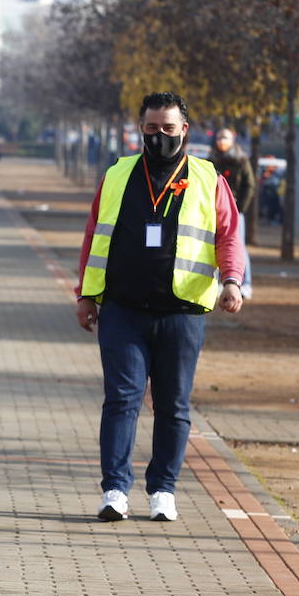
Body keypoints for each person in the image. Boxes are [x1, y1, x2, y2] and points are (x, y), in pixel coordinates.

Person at [75, 91, 245, 524]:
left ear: (184, 130)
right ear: (140, 130)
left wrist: (232, 281)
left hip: (182, 312)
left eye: (168, 128)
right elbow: (95, 234)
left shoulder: (208, 178)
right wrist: (85, 295)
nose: (159, 136)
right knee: (121, 400)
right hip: (123, 310)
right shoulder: (117, 175)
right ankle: (115, 490)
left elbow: (229, 234)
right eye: (151, 129)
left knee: (173, 405)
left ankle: (163, 491)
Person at [209, 128, 255, 297]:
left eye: (225, 138)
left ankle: (245, 283)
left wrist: (240, 208)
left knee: (237, 246)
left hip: (235, 211)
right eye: (219, 137)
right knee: (216, 245)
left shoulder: (241, 161)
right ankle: (222, 281)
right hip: (215, 211)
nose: (222, 141)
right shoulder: (212, 160)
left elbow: (249, 185)